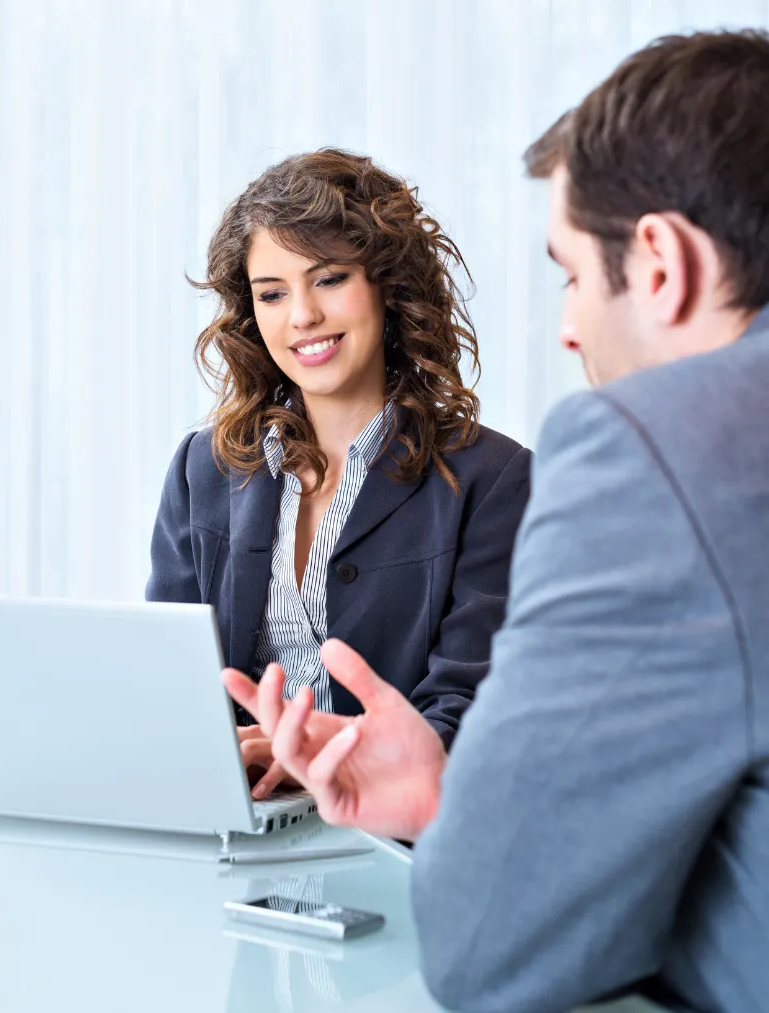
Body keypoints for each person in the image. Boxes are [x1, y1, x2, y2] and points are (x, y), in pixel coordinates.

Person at [223, 30, 769, 1013]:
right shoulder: (213, 466)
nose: (565, 325)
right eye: (271, 291)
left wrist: (471, 823)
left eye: (567, 271)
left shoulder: (655, 443)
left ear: (659, 261)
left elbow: (487, 947)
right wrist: (451, 801)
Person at [146, 149, 531, 799]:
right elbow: (167, 684)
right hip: (238, 816)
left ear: (387, 285)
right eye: (272, 292)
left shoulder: (492, 478)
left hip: (394, 830)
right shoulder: (201, 469)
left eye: (327, 279)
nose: (301, 316)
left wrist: (330, 757)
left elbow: (469, 708)